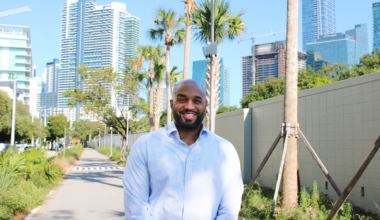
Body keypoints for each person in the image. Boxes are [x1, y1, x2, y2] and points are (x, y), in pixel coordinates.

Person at [123, 79, 243, 220]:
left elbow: (229, 207)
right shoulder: (145, 145)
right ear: (172, 104)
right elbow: (136, 206)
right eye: (182, 100)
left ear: (205, 105)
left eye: (197, 101)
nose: (189, 106)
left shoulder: (225, 150)